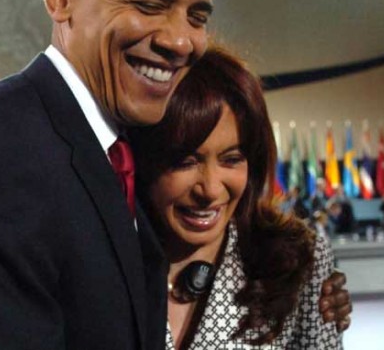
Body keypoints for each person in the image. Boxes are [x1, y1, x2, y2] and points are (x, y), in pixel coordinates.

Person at [0, 0, 350, 349]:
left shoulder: (117, 148)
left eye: (196, 15)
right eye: (150, 4)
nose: (179, 40)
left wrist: (300, 282)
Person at [130, 46, 347, 349]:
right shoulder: (100, 259)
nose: (210, 190)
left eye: (231, 159)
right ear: (143, 160)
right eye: (185, 162)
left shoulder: (297, 262)